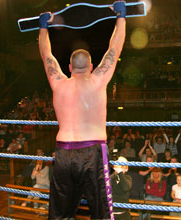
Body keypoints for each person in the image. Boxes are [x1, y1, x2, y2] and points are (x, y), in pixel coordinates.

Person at [38, 2, 126, 219]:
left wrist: (43, 26)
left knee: (60, 214)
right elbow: (114, 49)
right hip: (92, 151)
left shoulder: (58, 82)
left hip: (63, 153)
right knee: (101, 213)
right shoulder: (98, 80)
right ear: (92, 66)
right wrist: (121, 16)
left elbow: (46, 55)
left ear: (68, 67)